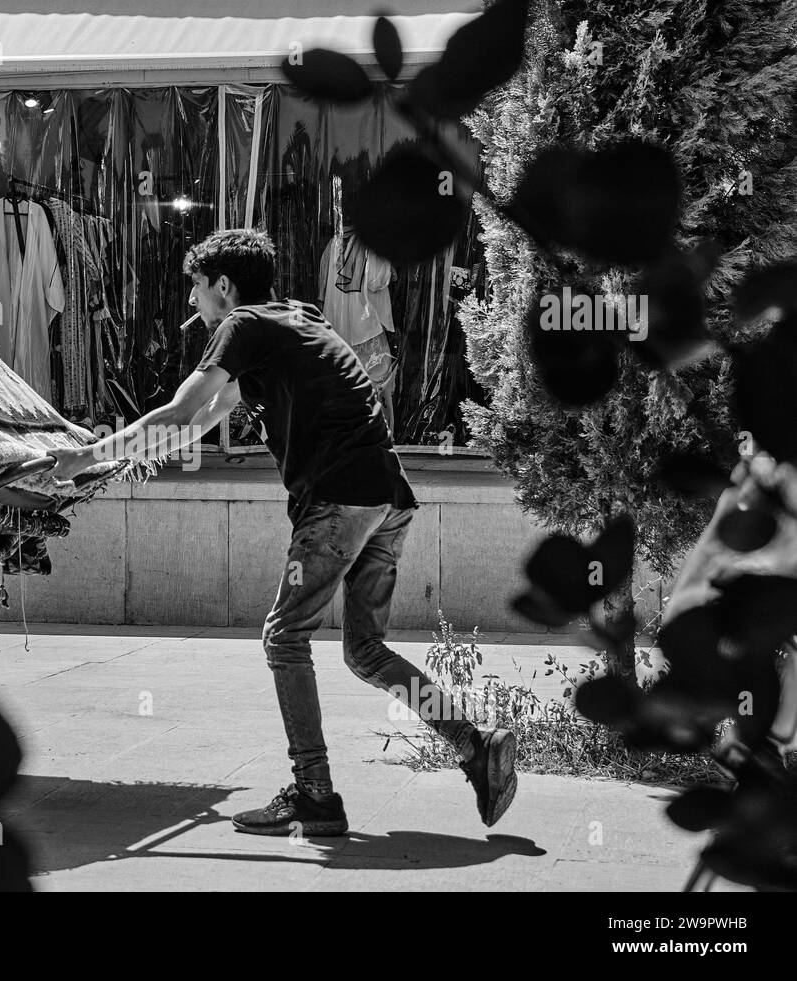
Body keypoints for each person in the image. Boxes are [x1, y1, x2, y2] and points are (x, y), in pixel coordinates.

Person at [45, 229, 518, 835]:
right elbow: (200, 424)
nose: (192, 302)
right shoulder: (293, 321)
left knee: (284, 636)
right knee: (364, 650)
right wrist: (116, 462)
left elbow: (183, 410)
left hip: (339, 499)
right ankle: (474, 743)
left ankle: (314, 794)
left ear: (222, 286)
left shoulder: (241, 326)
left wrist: (84, 455)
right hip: (386, 495)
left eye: (195, 288)